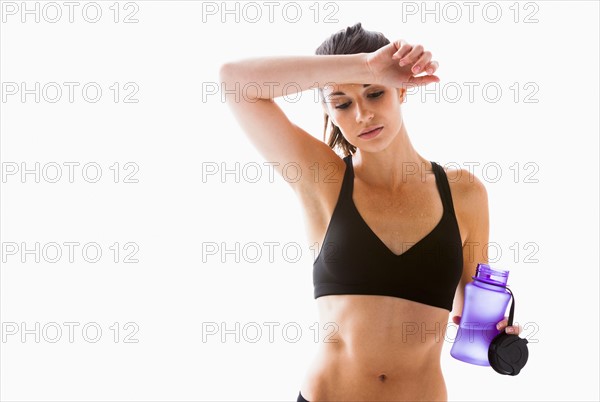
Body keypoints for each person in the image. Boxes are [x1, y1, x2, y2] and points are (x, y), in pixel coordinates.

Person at [219, 22, 521, 402]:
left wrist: (497, 332)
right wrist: (366, 67)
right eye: (342, 103)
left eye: (375, 93)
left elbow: (472, 312)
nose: (361, 114)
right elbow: (234, 81)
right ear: (329, 110)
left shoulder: (464, 193)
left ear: (402, 89)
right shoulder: (324, 180)